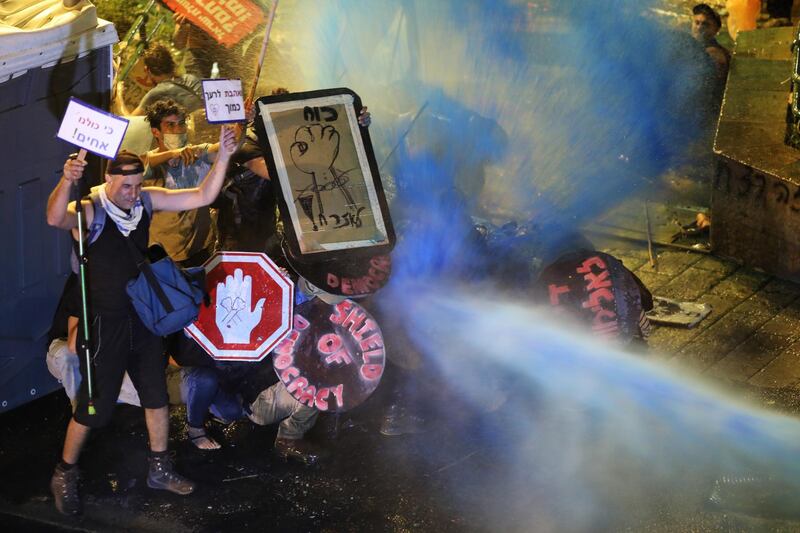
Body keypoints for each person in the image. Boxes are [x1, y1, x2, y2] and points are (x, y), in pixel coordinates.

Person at [45, 125, 238, 516]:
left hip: (144, 321)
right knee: (93, 406)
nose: (133, 193)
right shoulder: (91, 210)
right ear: (109, 180)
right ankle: (64, 473)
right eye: (126, 186)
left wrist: (223, 156)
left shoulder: (146, 203)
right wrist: (66, 181)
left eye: (137, 185)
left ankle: (160, 469)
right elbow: (54, 218)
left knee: (155, 395)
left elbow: (203, 195)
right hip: (105, 323)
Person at [143, 98, 221, 267]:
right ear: (156, 132)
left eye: (181, 124)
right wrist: (173, 154)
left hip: (200, 251)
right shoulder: (148, 162)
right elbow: (146, 162)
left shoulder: (197, 153)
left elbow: (228, 147)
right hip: (163, 255)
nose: (178, 129)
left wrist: (241, 124)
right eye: (170, 125)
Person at [117, 44, 204, 117]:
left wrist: (118, 96)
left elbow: (130, 123)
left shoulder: (156, 93)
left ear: (147, 70)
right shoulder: (191, 79)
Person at [691, 4, 731, 84]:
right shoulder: (693, 47)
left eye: (705, 24)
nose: (699, 27)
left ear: (716, 30)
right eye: (697, 22)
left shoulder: (714, 53)